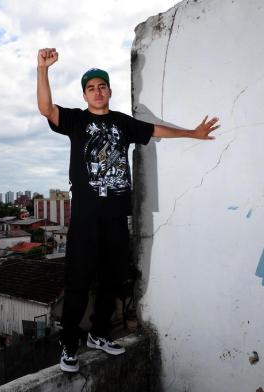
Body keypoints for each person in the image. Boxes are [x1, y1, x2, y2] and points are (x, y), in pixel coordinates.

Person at [37, 47, 220, 373]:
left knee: (112, 280)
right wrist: (42, 70)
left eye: (102, 86)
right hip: (85, 218)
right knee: (78, 281)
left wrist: (193, 133)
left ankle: (99, 333)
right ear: (85, 94)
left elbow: (154, 131)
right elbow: (46, 108)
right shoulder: (77, 121)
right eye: (91, 87)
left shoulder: (122, 123)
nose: (97, 91)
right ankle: (69, 343)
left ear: (109, 90)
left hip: (116, 217)